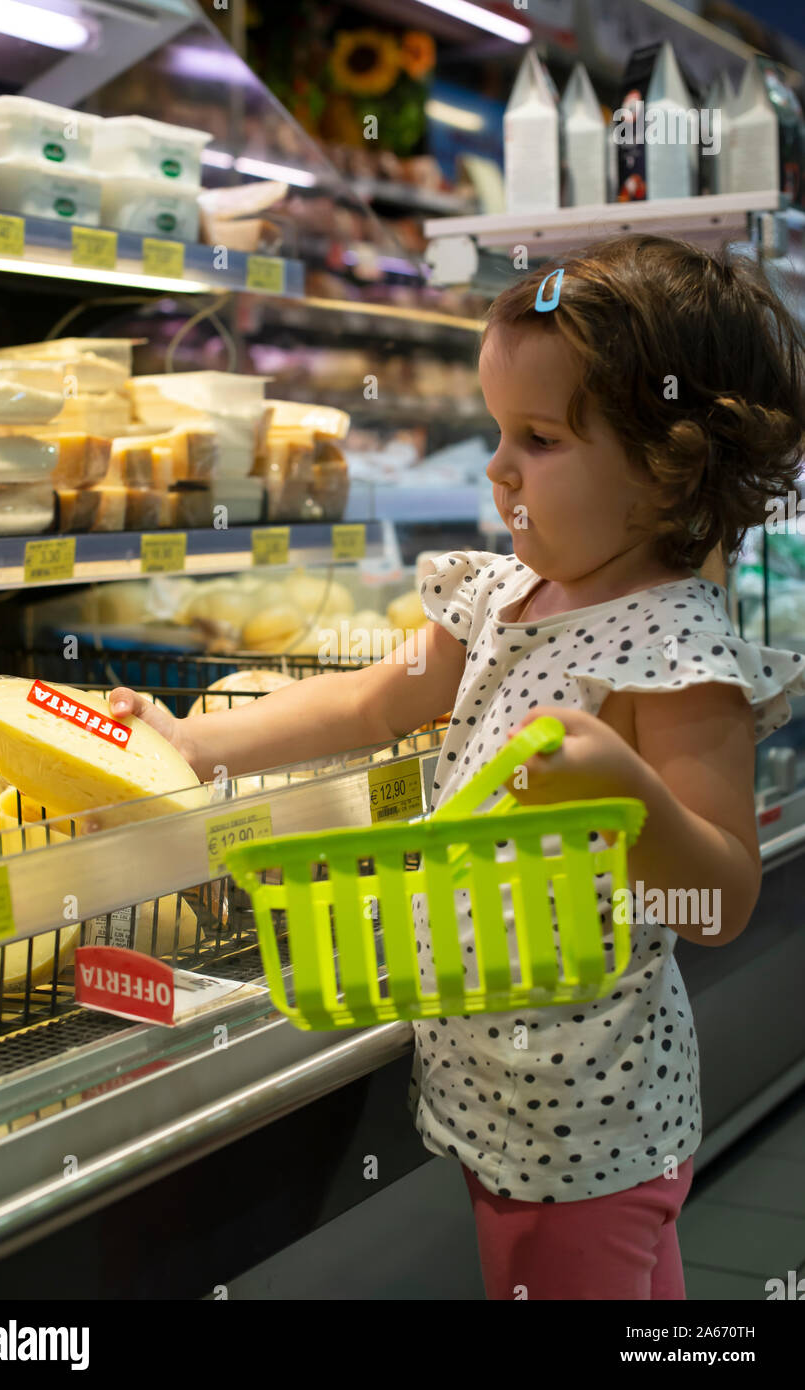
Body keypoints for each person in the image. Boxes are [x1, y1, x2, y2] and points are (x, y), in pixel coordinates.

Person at [110, 234, 805, 1299]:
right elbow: (366, 697)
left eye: (539, 437)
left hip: (585, 1127)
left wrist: (626, 788)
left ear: (671, 467)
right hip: (499, 1093)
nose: (497, 465)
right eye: (496, 430)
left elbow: (718, 897)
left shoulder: (674, 654)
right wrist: (196, 739)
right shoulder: (497, 597)